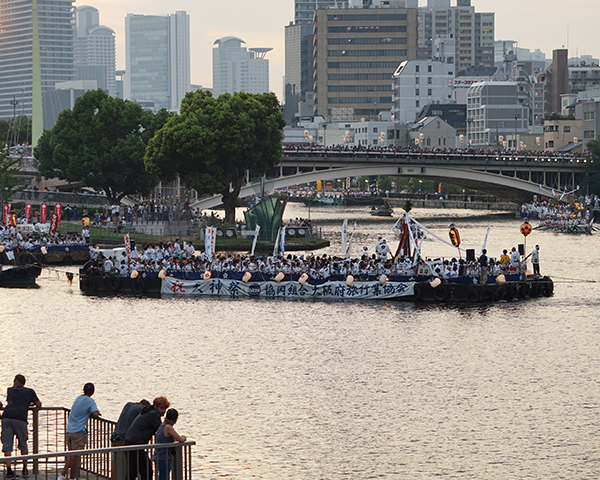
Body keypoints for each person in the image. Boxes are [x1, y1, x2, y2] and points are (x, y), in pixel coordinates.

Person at [1, 375, 42, 479]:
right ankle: (24, 468)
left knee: (7, 445)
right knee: (23, 443)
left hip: (6, 417)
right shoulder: (29, 391)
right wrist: (30, 404)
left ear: (15, 381)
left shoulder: (10, 390)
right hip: (20, 418)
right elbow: (39, 404)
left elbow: (10, 402)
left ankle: (9, 470)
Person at [58, 383, 101, 480]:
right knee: (74, 456)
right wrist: (96, 413)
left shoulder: (78, 398)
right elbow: (95, 413)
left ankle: (72, 477)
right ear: (93, 392)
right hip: (78, 432)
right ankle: (62, 474)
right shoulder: (90, 401)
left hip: (69, 431)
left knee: (73, 456)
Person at [124, 397, 170, 480]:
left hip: (129, 442)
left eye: (165, 409)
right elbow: (161, 431)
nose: (164, 411)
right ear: (156, 406)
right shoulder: (154, 414)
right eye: (162, 408)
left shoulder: (147, 411)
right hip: (135, 445)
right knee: (147, 471)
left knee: (132, 471)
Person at [111, 400, 150, 480]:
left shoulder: (128, 405)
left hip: (115, 437)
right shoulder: (140, 410)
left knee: (116, 465)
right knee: (127, 467)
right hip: (124, 440)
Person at [152, 409, 186, 480]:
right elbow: (180, 439)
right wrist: (183, 437)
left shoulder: (162, 425)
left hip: (158, 456)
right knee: (164, 477)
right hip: (163, 457)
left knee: (162, 475)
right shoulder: (168, 427)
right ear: (175, 419)